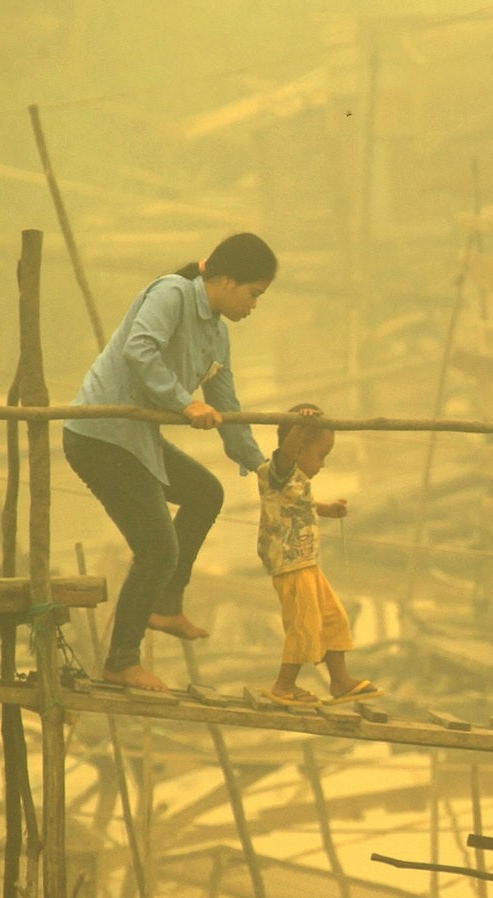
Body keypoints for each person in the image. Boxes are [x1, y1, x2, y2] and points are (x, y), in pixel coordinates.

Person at [64, 232, 276, 693]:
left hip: (135, 439)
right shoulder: (172, 294)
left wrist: (260, 466)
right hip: (99, 436)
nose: (254, 306)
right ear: (224, 280)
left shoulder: (217, 335)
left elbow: (226, 404)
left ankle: (165, 602)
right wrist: (184, 403)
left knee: (206, 493)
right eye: (254, 294)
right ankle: (121, 660)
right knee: (158, 547)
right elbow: (138, 350)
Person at [257, 403, 379, 707]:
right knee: (304, 623)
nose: (322, 465)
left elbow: (299, 506)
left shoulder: (297, 481)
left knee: (333, 618)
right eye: (321, 456)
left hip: (307, 563)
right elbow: (285, 454)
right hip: (290, 565)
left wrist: (326, 510)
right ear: (298, 449)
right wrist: (300, 426)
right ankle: (284, 686)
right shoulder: (279, 472)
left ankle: (340, 682)